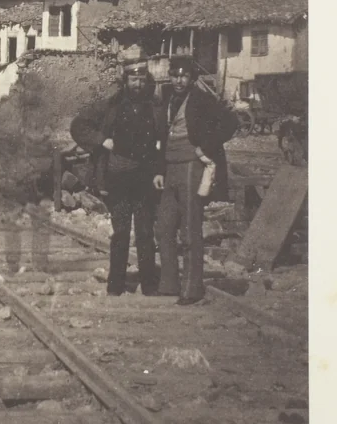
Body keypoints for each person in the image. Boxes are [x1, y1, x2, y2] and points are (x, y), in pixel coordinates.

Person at [70, 48, 163, 297]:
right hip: (118, 179)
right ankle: (116, 285)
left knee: (145, 233)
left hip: (144, 179)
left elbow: (164, 135)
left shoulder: (154, 105)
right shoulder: (110, 106)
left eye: (142, 79)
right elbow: (78, 125)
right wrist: (102, 140)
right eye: (133, 79)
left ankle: (149, 285)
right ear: (125, 80)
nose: (138, 83)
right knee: (120, 232)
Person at [156, 55, 240, 305]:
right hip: (169, 168)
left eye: (184, 76)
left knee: (190, 228)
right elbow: (161, 138)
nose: (179, 80)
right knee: (164, 227)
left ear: (192, 78)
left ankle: (192, 289)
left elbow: (230, 122)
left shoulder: (203, 100)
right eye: (175, 75)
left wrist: (206, 146)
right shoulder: (166, 99)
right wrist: (159, 170)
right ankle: (169, 283)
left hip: (192, 167)